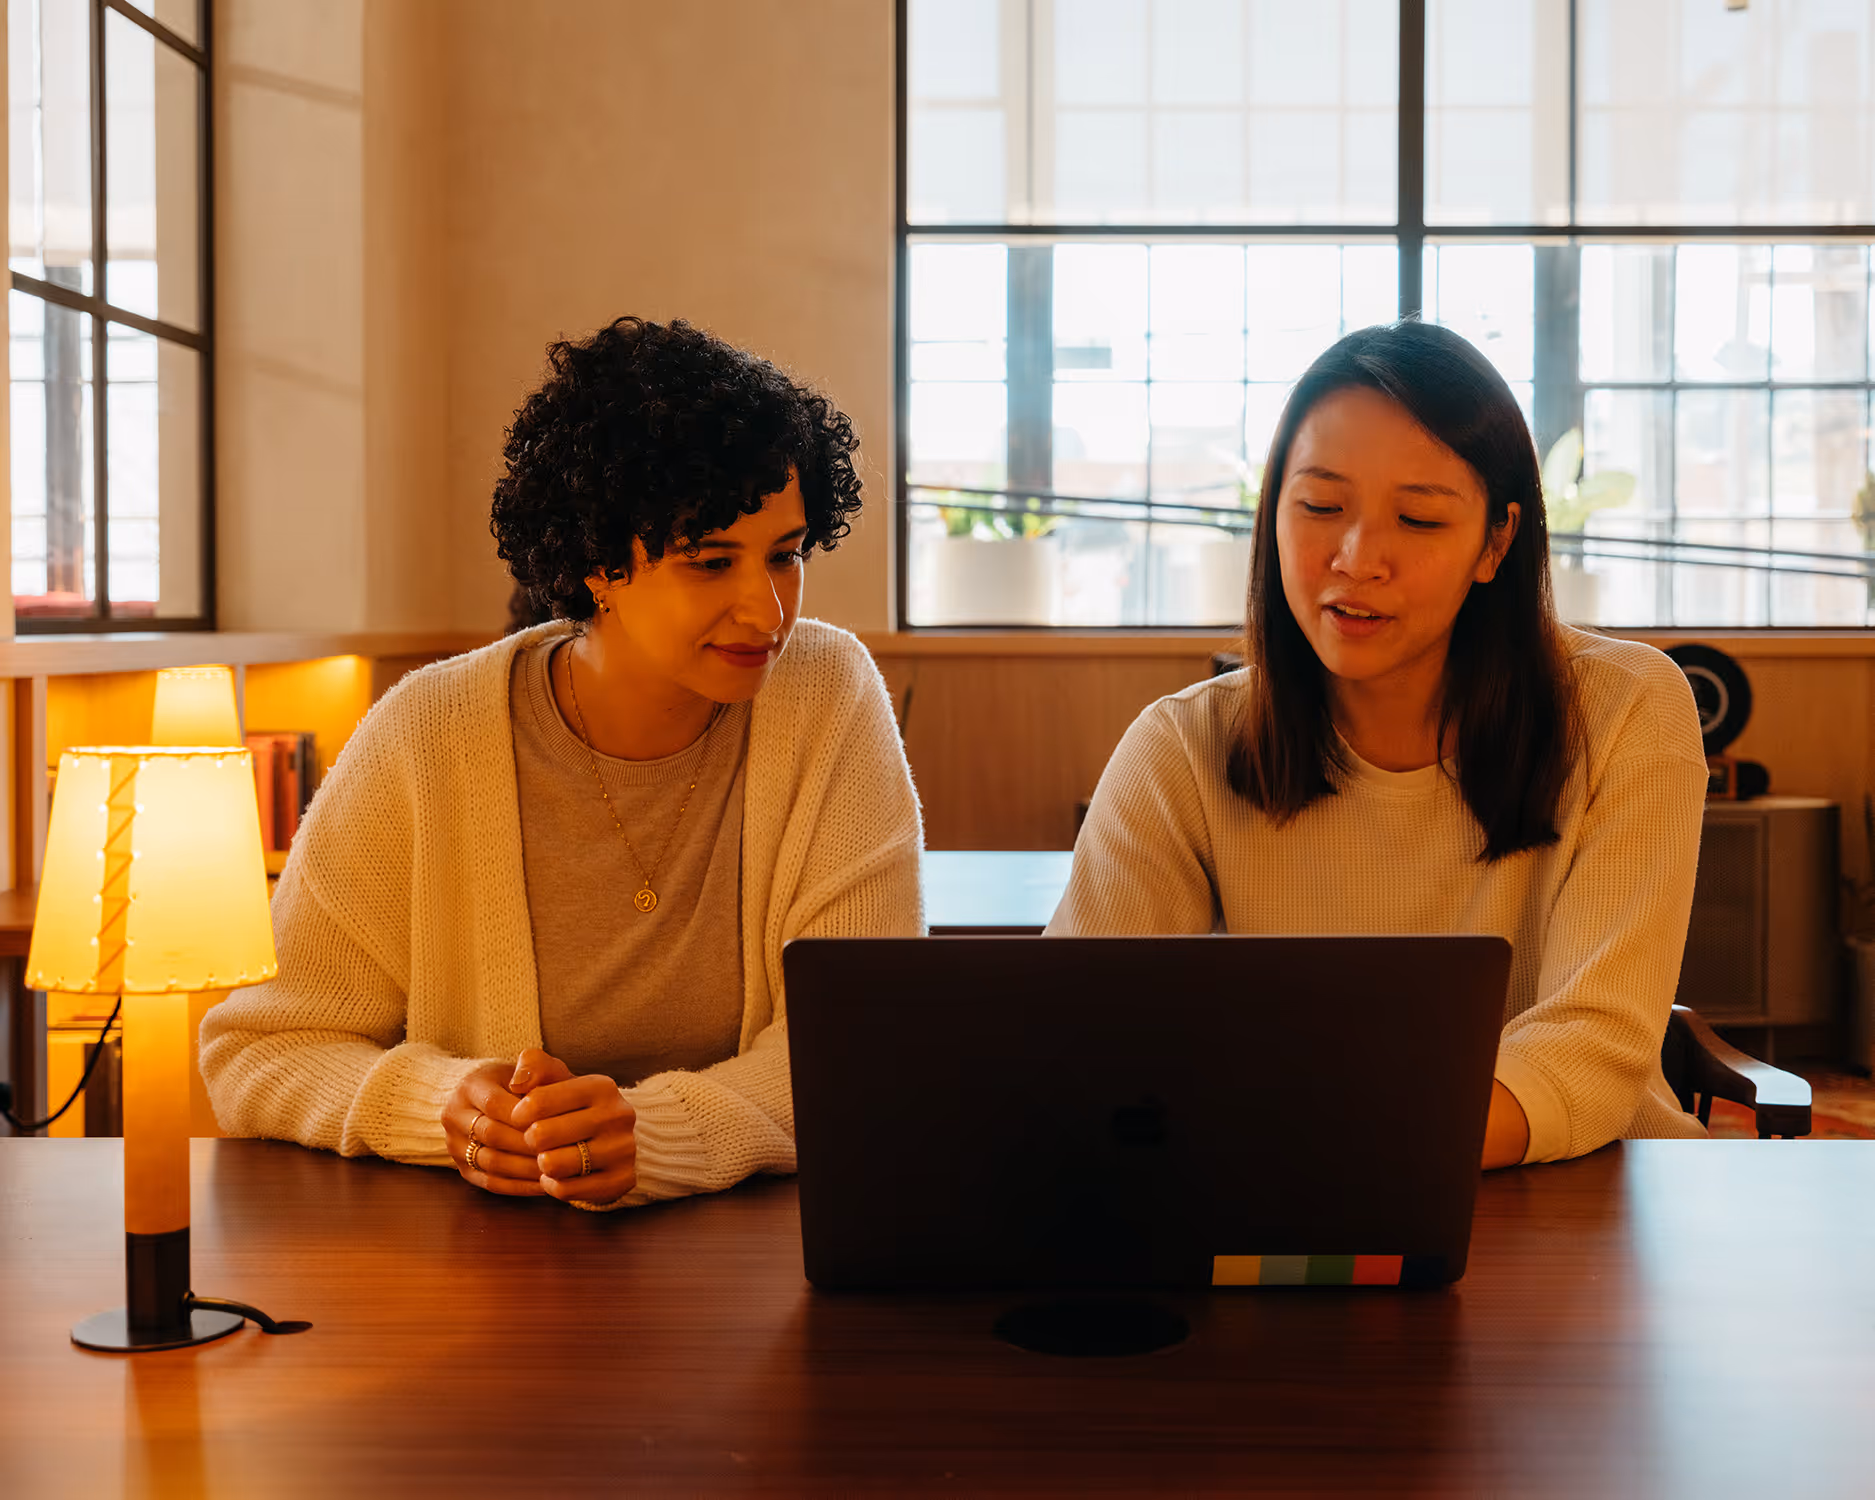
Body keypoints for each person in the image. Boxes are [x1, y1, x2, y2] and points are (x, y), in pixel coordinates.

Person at [201, 316, 923, 1209]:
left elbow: (863, 1048)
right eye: (709, 562)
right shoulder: (429, 733)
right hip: (478, 1275)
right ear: (595, 565)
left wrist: (651, 1136)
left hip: (760, 1259)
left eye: (786, 556)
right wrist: (442, 1111)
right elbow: (260, 1052)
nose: (765, 610)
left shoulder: (824, 692)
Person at [1049, 320, 1707, 1167]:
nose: (1356, 559)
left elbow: (1592, 1042)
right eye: (1320, 506)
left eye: (1419, 519)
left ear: (1495, 542)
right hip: (1284, 1196)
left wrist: (1344, 1142)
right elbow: (1080, 1034)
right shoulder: (1183, 746)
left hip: (1586, 1202)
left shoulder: (1624, 711)